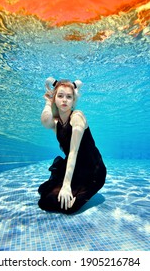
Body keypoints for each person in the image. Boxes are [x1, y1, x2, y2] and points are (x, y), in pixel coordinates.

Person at [38, 77, 106, 214]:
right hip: (76, 169)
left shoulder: (77, 117)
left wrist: (66, 186)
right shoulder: (56, 123)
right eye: (60, 96)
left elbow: (73, 153)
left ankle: (73, 186)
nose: (64, 100)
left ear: (73, 101)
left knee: (66, 207)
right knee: (44, 194)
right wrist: (48, 100)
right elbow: (45, 120)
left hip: (93, 172)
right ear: (55, 99)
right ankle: (65, 183)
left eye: (69, 97)